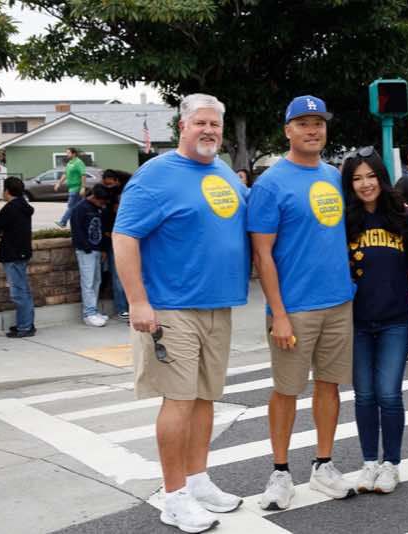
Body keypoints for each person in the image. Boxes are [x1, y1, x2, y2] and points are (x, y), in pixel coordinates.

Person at [114, 93, 249, 532]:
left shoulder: (223, 172)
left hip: (218, 306)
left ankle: (197, 480)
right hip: (171, 308)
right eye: (200, 123)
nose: (209, 130)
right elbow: (125, 237)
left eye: (215, 124)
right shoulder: (155, 175)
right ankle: (173, 497)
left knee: (205, 397)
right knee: (179, 400)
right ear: (182, 127)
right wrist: (137, 300)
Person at [248, 95, 357, 510]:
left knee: (329, 386)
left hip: (338, 302)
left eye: (319, 123)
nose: (313, 130)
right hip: (294, 308)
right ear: (288, 130)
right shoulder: (271, 184)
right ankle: (280, 472)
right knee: (286, 390)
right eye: (303, 123)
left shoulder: (333, 176)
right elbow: (263, 255)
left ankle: (323, 464)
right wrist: (278, 313)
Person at [341, 147, 408, 495]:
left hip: (395, 321)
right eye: (357, 178)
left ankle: (391, 463)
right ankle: (369, 461)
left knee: (389, 393)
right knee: (364, 395)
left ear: (382, 178)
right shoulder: (344, 221)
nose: (365, 184)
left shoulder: (402, 217)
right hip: (356, 321)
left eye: (371, 176)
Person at [0, 177, 35, 338]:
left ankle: (25, 327)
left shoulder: (10, 208)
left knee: (18, 292)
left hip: (12, 254)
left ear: (7, 191)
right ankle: (26, 323)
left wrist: (2, 232)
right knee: (24, 290)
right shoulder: (24, 206)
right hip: (22, 252)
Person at [71, 184, 110, 327]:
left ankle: (93, 310)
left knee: (96, 281)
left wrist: (103, 249)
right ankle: (89, 314)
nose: (103, 204)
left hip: (97, 249)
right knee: (88, 282)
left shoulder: (98, 208)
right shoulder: (80, 208)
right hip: (86, 251)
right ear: (94, 197)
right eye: (101, 201)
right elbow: (76, 230)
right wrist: (87, 248)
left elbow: (102, 229)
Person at [101, 169, 131, 320]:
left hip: (125, 240)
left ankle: (128, 306)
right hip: (113, 241)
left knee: (128, 275)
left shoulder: (123, 191)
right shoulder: (108, 208)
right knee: (118, 276)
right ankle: (121, 308)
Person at [54, 147, 87, 228]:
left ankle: (63, 222)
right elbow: (65, 174)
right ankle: (82, 222)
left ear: (74, 154)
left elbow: (83, 175)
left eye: (68, 153)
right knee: (79, 206)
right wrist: (58, 183)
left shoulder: (79, 162)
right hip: (71, 188)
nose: (67, 154)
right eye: (66, 153)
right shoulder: (69, 163)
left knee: (71, 206)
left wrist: (83, 187)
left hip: (76, 188)